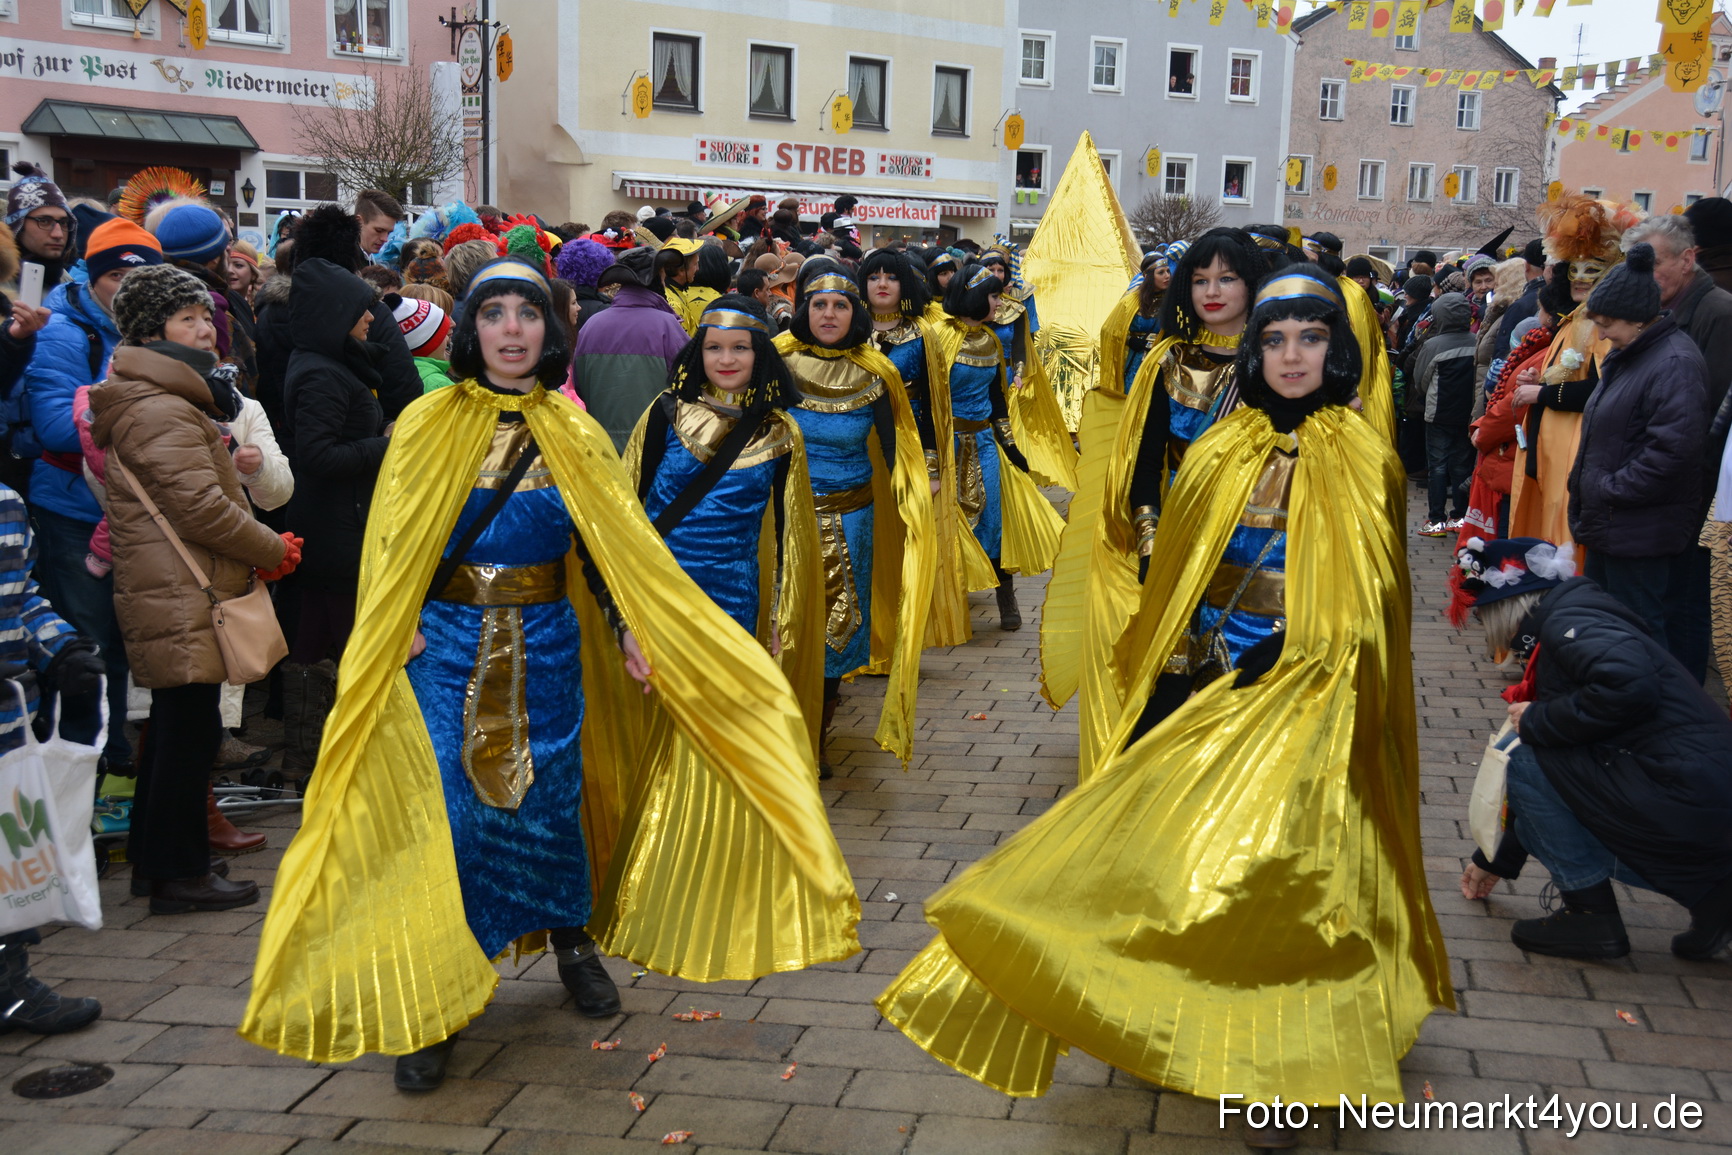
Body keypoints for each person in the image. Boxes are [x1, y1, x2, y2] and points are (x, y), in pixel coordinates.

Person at [241, 257, 857, 1093]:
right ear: (471, 331)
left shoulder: (575, 431)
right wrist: (401, 616)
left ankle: (571, 938)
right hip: (444, 643)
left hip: (550, 642)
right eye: (492, 313)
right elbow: (391, 537)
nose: (510, 330)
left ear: (550, 329)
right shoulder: (426, 422)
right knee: (451, 816)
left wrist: (633, 626)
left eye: (526, 314)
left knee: (548, 800)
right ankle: (441, 996)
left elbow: (609, 545)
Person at [878, 267, 1451, 1149]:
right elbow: (1178, 573)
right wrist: (1172, 667)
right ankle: (1190, 1003)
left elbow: (1372, 600)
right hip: (1211, 680)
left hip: (1310, 693)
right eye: (1275, 338)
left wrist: (1304, 654)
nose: (1292, 354)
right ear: (1254, 353)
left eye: (1312, 337)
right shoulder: (1225, 446)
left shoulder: (1364, 454)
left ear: (1339, 351)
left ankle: (1286, 1070)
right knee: (1198, 852)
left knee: (1293, 872)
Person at [90, 265, 298, 914]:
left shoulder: (168, 398)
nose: (207, 327)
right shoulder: (160, 405)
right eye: (188, 318)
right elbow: (202, 508)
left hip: (177, 586)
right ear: (153, 333)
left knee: (180, 730)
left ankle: (161, 864)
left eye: (206, 315)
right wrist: (272, 548)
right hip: (181, 590)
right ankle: (179, 874)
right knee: (186, 734)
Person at [1042, 227, 1268, 777]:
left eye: (1227, 278)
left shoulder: (1278, 358)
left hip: (1263, 547)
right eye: (1199, 280)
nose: (1212, 291)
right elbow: (1144, 466)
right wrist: (1150, 544)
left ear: (1253, 284)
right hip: (1182, 540)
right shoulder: (1167, 362)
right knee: (1170, 682)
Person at [1457, 538, 1732, 963]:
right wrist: (1493, 858)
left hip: (1683, 789)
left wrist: (1537, 720)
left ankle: (1590, 915)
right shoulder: (1576, 615)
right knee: (1537, 764)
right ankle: (1715, 897)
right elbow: (1560, 786)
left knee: (1525, 757)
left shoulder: (1569, 624)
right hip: (1691, 789)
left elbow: (1629, 685)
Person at [773, 270, 934, 774]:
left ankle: (817, 734)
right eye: (818, 305)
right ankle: (777, 731)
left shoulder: (877, 371)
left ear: (855, 313)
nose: (828, 315)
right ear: (804, 309)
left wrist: (916, 500)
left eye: (839, 306)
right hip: (782, 520)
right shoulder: (777, 360)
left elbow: (895, 448)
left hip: (854, 519)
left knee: (834, 631)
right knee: (782, 624)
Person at [20, 218, 160, 774]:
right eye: (119, 273)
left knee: (123, 644)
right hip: (74, 508)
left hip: (130, 512)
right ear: (96, 275)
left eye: (142, 274)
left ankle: (114, 765)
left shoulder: (147, 326)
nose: (129, 285)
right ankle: (79, 770)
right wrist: (134, 388)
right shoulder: (61, 326)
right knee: (84, 645)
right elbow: (57, 425)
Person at [278, 258, 394, 783]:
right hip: (333, 526)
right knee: (350, 639)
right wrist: (383, 444)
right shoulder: (322, 372)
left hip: (334, 522)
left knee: (315, 636)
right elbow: (318, 455)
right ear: (334, 314)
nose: (370, 318)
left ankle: (309, 756)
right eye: (360, 309)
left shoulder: (330, 362)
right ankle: (356, 756)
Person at [1566, 244, 1710, 664]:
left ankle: (1653, 722)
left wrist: (1609, 488)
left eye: (1607, 323)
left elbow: (1672, 452)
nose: (1602, 333)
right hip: (1614, 523)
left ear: (1637, 317)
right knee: (1614, 632)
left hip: (1638, 527)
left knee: (1640, 635)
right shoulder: (1632, 357)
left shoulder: (1674, 363)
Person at [0, 479, 105, 1039]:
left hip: (9, 724)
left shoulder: (7, 506)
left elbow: (23, 596)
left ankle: (9, 986)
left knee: (8, 858)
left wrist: (61, 646)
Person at [861, 248, 992, 645]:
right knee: (862, 544)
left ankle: (900, 639)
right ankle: (864, 640)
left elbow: (937, 408)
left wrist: (932, 468)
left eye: (891, 277)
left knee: (905, 546)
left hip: (908, 451)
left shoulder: (923, 336)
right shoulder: (848, 330)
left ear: (904, 284)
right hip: (855, 455)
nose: (882, 283)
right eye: (873, 276)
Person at [1509, 194, 1645, 552]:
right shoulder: (1572, 320)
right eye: (1575, 268)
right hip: (1550, 455)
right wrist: (1539, 381)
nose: (1581, 277)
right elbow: (1568, 377)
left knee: (1563, 541)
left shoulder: (1601, 325)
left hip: (1573, 454)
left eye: (1594, 268)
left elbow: (1603, 389)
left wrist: (1541, 394)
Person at [935, 264, 1065, 630]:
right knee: (948, 521)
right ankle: (950, 598)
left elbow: (997, 403)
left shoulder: (991, 342)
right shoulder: (938, 338)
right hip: (946, 448)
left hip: (985, 445)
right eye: (993, 295)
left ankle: (1006, 597)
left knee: (993, 521)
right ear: (975, 296)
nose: (999, 302)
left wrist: (1011, 448)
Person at [570, 248, 688, 452]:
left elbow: (580, 386)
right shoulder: (667, 326)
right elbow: (688, 385)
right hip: (654, 449)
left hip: (601, 448)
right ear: (656, 278)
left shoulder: (591, 325)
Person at [1412, 292, 1477, 536]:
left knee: (1437, 467)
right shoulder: (1477, 340)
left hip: (1438, 413)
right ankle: (1458, 517)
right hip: (1467, 414)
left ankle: (1435, 519)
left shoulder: (1432, 345)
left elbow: (1421, 380)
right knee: (1462, 466)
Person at [6, 163, 77, 287]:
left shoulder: (68, 286)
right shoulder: (4, 286)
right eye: (44, 221)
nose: (58, 234)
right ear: (18, 226)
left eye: (64, 223)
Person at [355, 189, 406, 257]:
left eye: (389, 233)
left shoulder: (369, 259)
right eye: (379, 230)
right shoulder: (339, 263)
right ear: (359, 222)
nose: (385, 239)